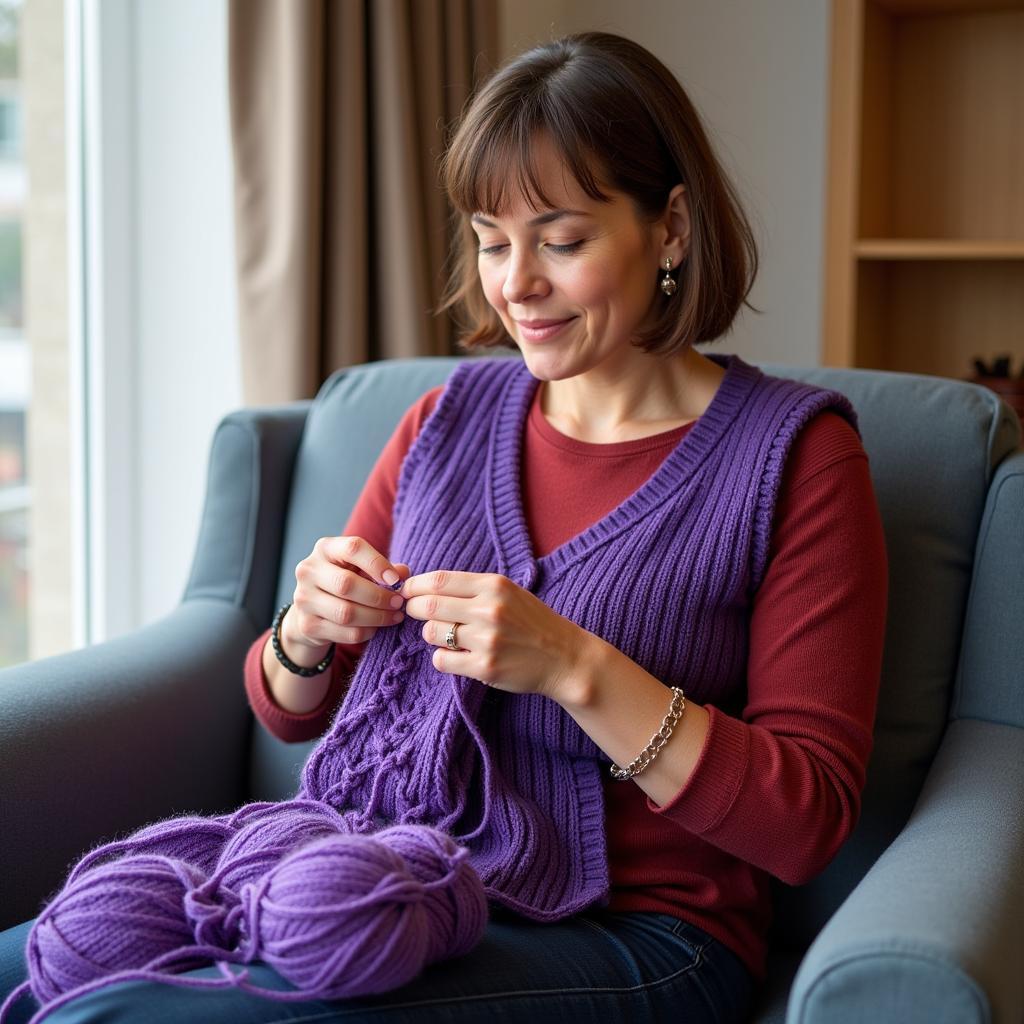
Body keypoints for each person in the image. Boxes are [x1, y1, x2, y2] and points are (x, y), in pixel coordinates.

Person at [0, 30, 887, 1024]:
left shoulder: (796, 456)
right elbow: (291, 707)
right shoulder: (444, 423)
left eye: (561, 239)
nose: (515, 284)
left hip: (641, 936)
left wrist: (574, 667)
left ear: (670, 228)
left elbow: (806, 817)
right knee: (23, 964)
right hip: (371, 878)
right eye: (489, 238)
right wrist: (305, 630)